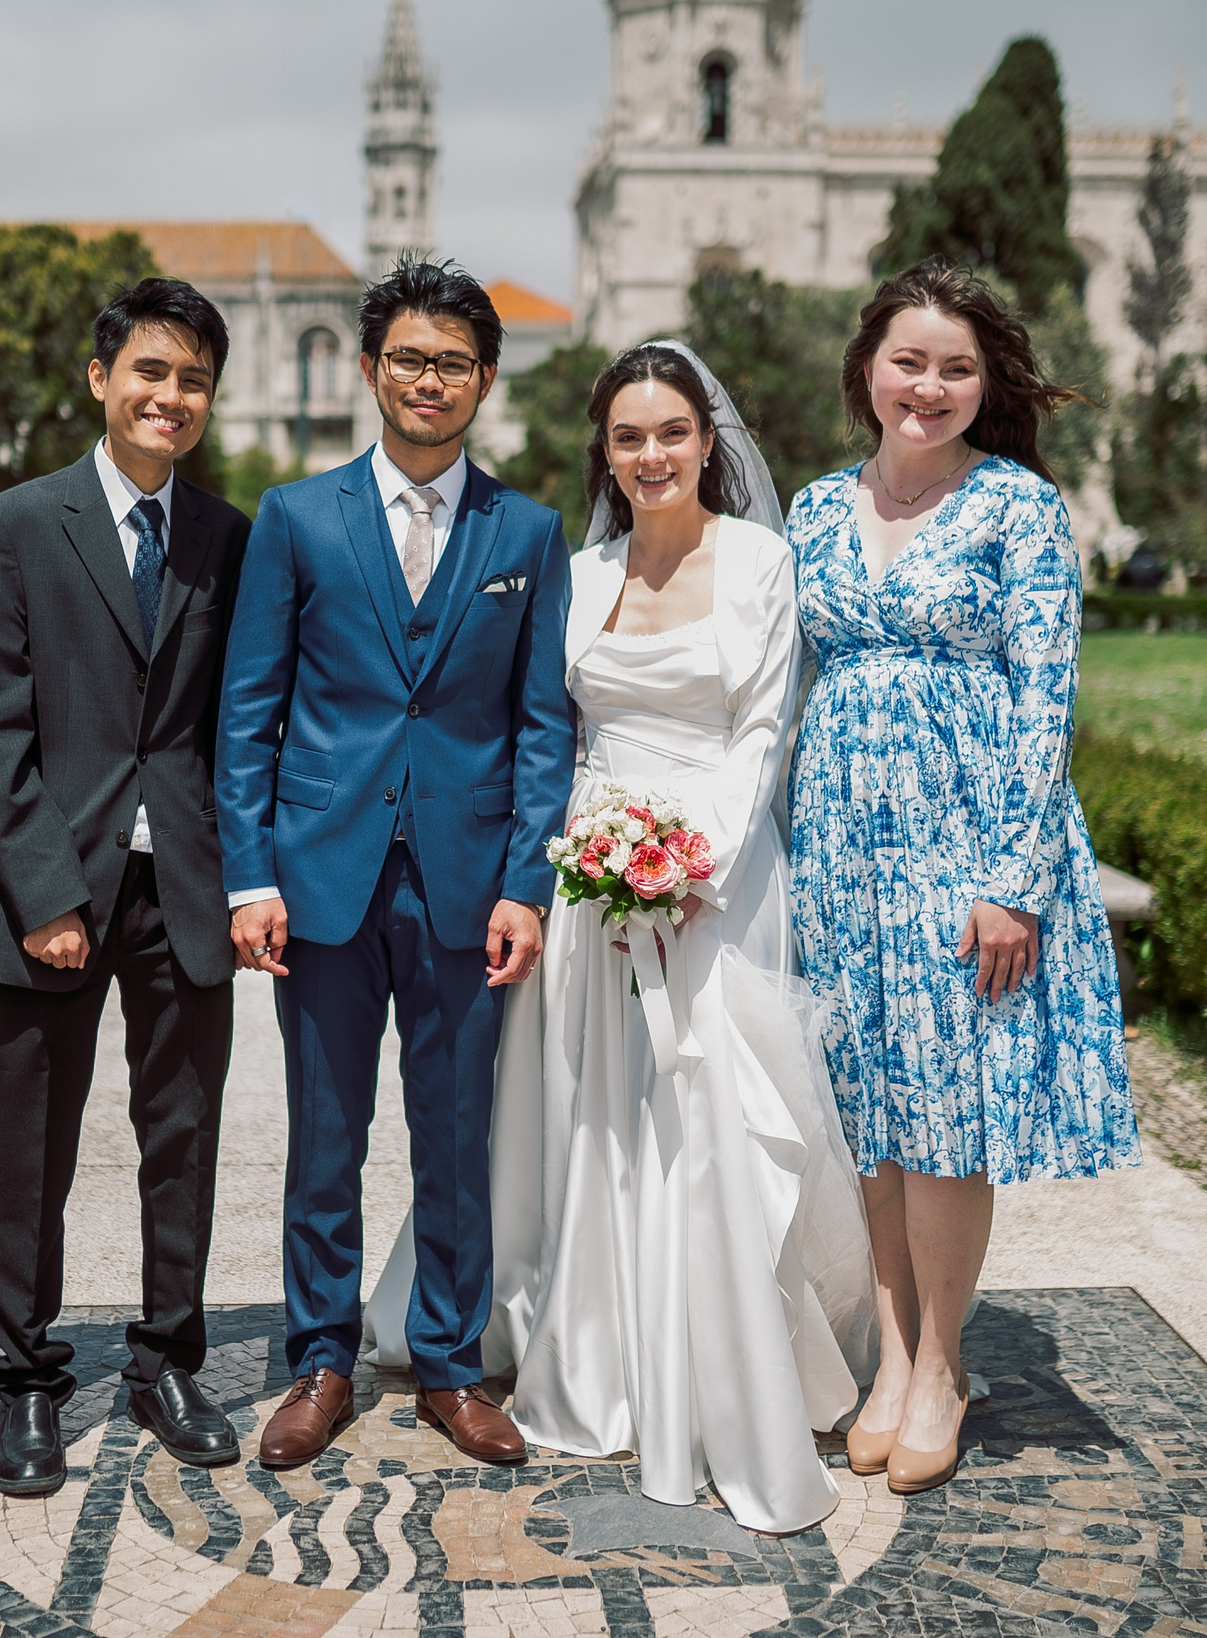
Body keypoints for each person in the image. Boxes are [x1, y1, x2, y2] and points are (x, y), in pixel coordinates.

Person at [360, 343, 877, 1534]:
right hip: (590, 873)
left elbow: (762, 730)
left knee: (709, 1114)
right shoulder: (579, 571)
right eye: (629, 436)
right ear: (604, 452)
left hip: (717, 877)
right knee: (586, 1110)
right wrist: (581, 861)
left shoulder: (760, 562)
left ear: (707, 441)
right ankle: (587, 1346)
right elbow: (551, 728)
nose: (652, 455)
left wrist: (695, 866)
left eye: (672, 432)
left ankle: (722, 1361)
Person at [784, 258, 1137, 1498]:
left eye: (956, 368)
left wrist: (1013, 878)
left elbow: (1047, 698)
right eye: (908, 361)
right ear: (867, 370)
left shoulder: (1018, 509)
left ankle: (941, 1364)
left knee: (943, 1112)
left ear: (986, 385)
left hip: (963, 841)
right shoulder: (813, 508)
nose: (927, 387)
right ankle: (888, 1358)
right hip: (839, 842)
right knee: (868, 1110)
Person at [217, 259, 574, 1470]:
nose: (431, 379)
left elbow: (541, 725)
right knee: (325, 1132)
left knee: (455, 1134)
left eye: (454, 362)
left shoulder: (525, 531)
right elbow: (250, 709)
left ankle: (448, 1365)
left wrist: (526, 881)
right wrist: (250, 875)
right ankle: (320, 1359)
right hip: (321, 875)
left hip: (468, 883)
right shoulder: (295, 516)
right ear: (371, 368)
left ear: (485, 378)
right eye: (410, 358)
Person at [0, 279, 251, 1497]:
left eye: (192, 379)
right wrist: (41, 893)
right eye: (149, 371)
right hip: (53, 888)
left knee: (181, 1134)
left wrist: (247, 877)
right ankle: (27, 1376)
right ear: (100, 378)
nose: (168, 396)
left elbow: (239, 722)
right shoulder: (15, 525)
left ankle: (165, 1359)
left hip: (184, 883)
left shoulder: (229, 538)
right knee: (32, 1142)